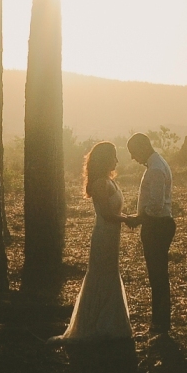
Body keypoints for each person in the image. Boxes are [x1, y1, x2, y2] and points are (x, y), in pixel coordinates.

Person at [55, 141, 132, 342]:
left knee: (109, 274)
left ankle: (108, 321)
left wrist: (126, 218)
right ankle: (99, 323)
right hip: (104, 236)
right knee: (102, 274)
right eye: (113, 156)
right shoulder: (99, 184)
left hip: (111, 236)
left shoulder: (109, 182)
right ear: (105, 159)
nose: (116, 160)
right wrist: (129, 219)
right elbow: (107, 214)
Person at [123, 132, 175, 335]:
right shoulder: (158, 164)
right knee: (158, 275)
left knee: (157, 276)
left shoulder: (154, 170)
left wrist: (138, 218)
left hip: (157, 226)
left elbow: (155, 204)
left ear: (143, 148)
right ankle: (160, 321)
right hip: (159, 224)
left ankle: (160, 323)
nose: (133, 158)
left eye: (133, 152)